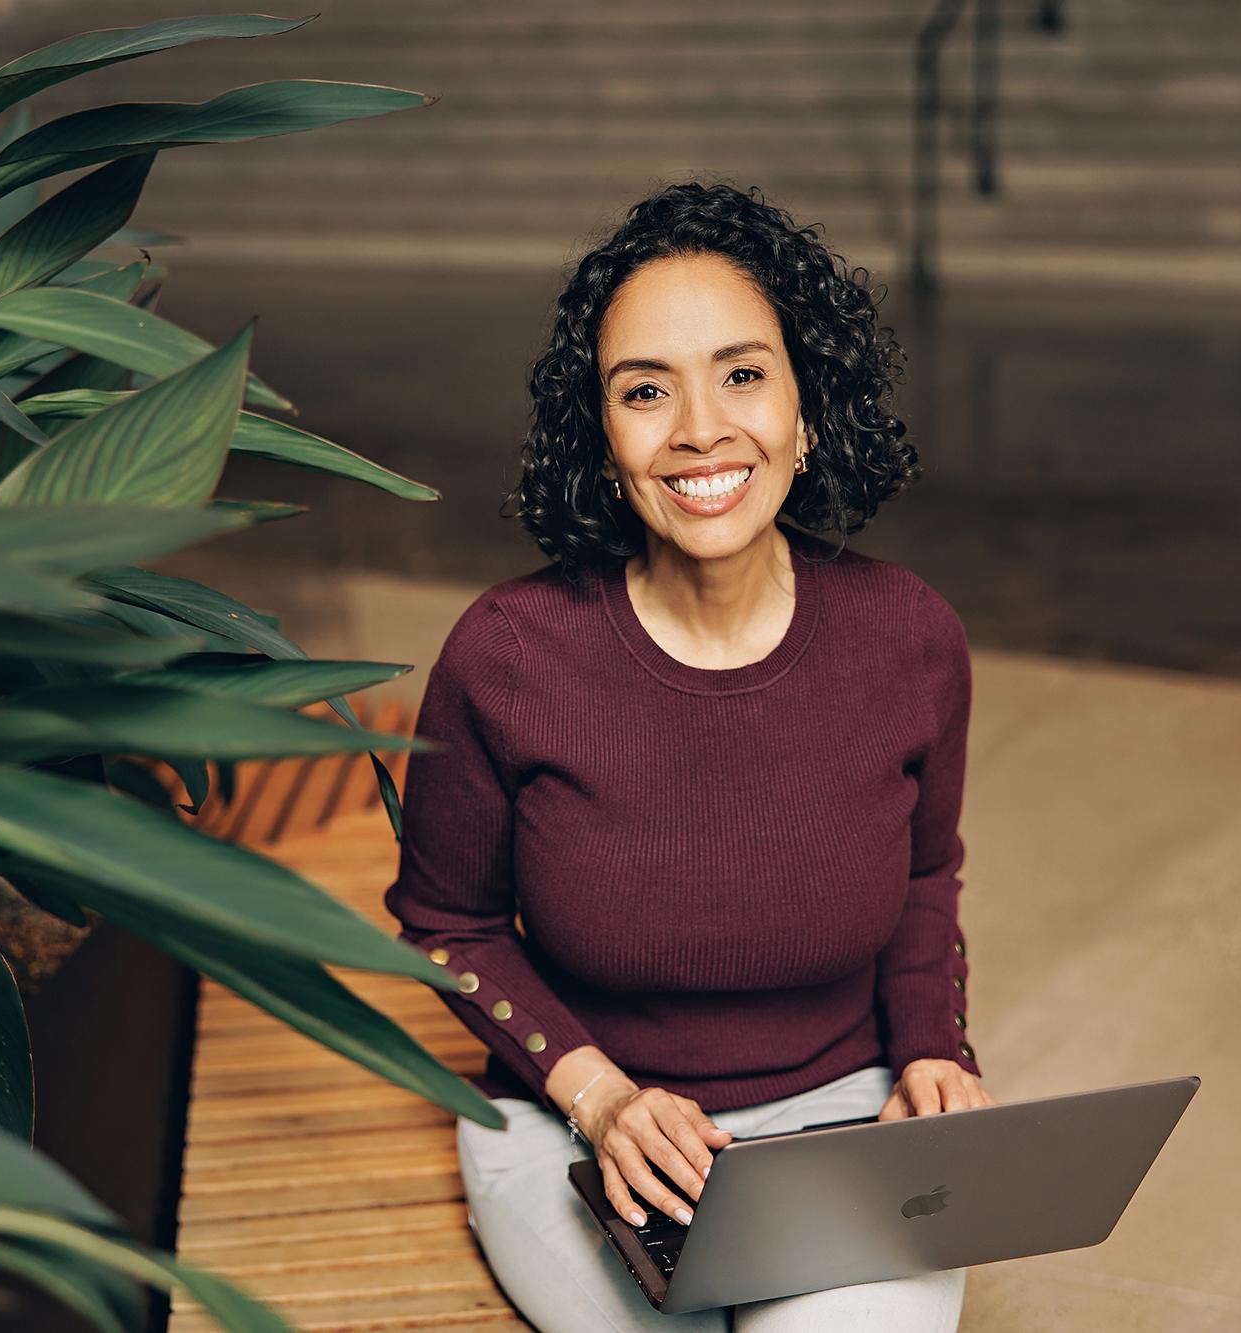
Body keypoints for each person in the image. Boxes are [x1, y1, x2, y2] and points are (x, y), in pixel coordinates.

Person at [382, 180, 993, 1331]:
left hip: (839, 1119)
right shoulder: (508, 656)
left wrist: (931, 1054)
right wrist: (600, 1098)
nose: (700, 428)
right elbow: (444, 925)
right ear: (602, 440)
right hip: (568, 1114)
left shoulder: (907, 636)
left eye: (742, 373)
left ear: (808, 409)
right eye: (644, 390)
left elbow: (923, 877)